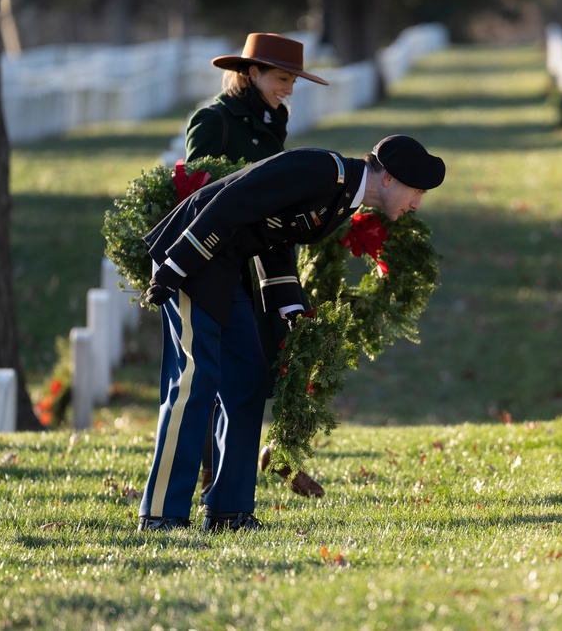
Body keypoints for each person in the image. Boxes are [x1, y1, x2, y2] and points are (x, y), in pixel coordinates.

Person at [137, 134, 446, 531]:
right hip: (193, 254)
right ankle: (162, 512)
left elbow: (274, 236)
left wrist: (290, 304)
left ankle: (229, 510)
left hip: (226, 269)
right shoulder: (321, 171)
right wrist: (175, 266)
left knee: (248, 380)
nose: (417, 204)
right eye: (416, 191)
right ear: (388, 178)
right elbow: (233, 203)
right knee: (196, 381)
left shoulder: (343, 195)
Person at [186, 32, 330, 500]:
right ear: (252, 73)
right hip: (219, 266)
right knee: (215, 376)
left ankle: (243, 473)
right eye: (282, 78)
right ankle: (212, 482)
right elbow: (194, 196)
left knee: (254, 374)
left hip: (262, 267)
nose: (289, 89)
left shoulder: (274, 119)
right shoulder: (215, 121)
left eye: (293, 81)